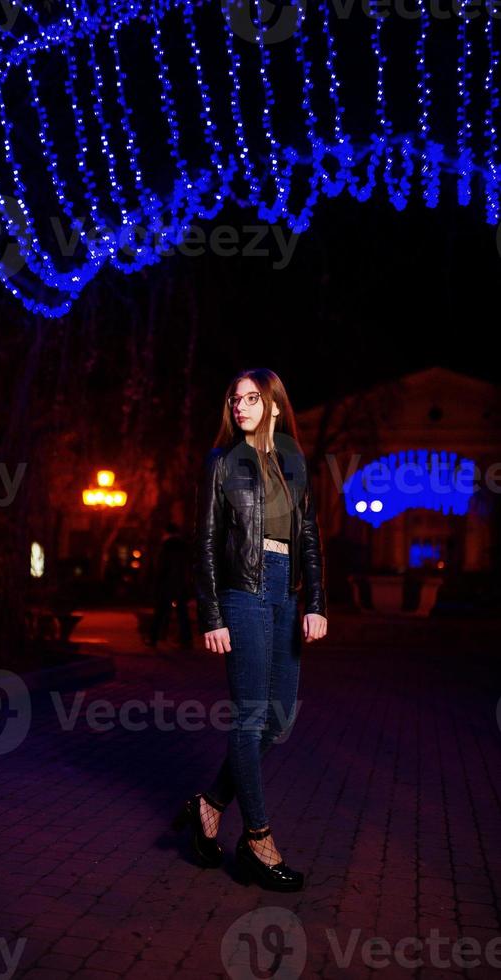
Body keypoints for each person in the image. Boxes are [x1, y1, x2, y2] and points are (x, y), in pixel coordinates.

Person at [171, 368, 328, 891]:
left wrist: (316, 602)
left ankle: (208, 804)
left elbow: (308, 537)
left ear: (275, 406)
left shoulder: (293, 463)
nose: (240, 407)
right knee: (250, 717)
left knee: (278, 723)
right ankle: (258, 839)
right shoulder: (221, 463)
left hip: (286, 595)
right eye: (234, 398)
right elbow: (206, 542)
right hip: (243, 592)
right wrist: (211, 616)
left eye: (252, 398)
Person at [147, 522, 193, 648]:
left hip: (166, 585)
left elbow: (161, 567)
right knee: (182, 614)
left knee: (160, 613)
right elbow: (187, 567)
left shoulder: (165, 546)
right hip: (180, 584)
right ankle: (186, 640)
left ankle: (154, 638)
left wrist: (157, 584)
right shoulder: (184, 547)